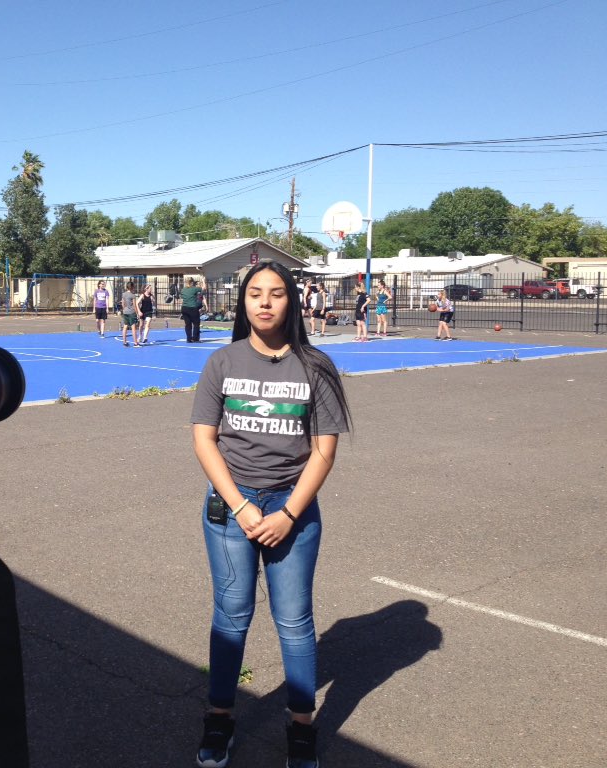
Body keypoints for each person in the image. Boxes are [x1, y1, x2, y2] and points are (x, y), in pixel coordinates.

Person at [190, 260, 350, 768]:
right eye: (255, 293)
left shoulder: (316, 366)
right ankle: (220, 717)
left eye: (276, 293)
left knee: (295, 622)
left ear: (292, 301)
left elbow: (324, 449)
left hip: (293, 508)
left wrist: (288, 514)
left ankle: (300, 726)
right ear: (243, 302)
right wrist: (239, 505)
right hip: (230, 508)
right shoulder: (222, 362)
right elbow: (204, 440)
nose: (264, 302)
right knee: (231, 617)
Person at [181, 277, 208, 343]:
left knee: (188, 324)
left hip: (184, 308)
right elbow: (204, 288)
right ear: (192, 282)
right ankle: (195, 338)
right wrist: (203, 281)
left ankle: (188, 339)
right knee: (196, 323)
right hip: (192, 308)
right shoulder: (194, 289)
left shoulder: (183, 290)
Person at [121, 281, 140, 347]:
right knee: (133, 327)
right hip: (131, 312)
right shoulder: (133, 295)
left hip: (125, 312)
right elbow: (134, 305)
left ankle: (124, 342)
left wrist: (124, 309)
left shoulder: (124, 294)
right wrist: (137, 313)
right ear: (132, 287)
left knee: (125, 326)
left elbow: (123, 303)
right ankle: (135, 343)